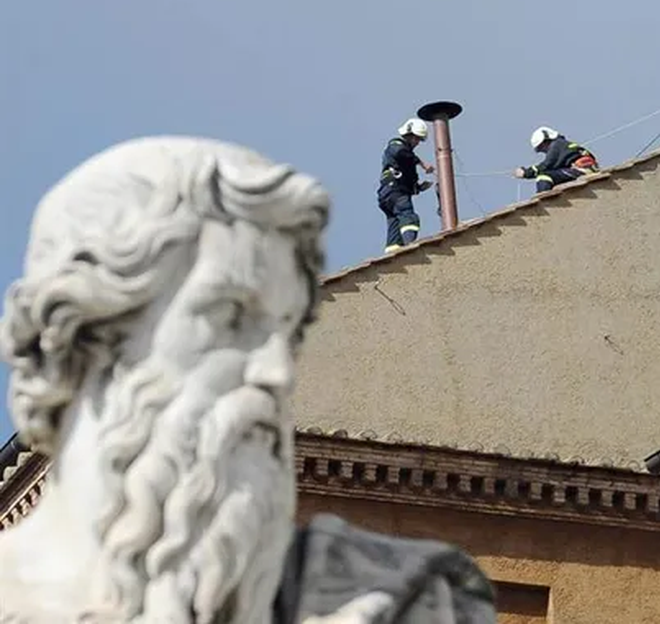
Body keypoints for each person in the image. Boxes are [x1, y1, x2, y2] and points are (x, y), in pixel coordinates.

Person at [0, 136, 497, 623]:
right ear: (79, 338)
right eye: (231, 318)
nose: (277, 373)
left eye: (287, 332)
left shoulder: (409, 602)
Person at [378, 118, 435, 253]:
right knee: (409, 217)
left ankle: (393, 255)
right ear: (408, 134)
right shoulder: (396, 144)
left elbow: (407, 177)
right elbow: (400, 153)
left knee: (395, 225)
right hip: (395, 191)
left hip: (389, 195)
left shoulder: (407, 159)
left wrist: (419, 187)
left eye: (419, 140)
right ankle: (410, 248)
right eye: (416, 138)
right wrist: (422, 164)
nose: (417, 143)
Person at [513, 126, 599, 193]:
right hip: (584, 170)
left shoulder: (557, 144)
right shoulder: (563, 145)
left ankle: (544, 203)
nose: (543, 151)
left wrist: (525, 173)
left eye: (542, 147)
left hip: (582, 170)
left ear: (547, 140)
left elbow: (546, 165)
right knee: (554, 179)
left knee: (544, 176)